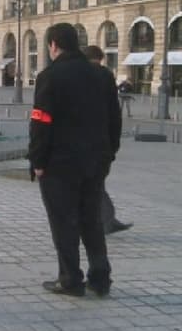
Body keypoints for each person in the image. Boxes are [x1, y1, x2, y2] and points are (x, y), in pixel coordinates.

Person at [29, 24, 122, 298]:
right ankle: (101, 278)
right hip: (95, 161)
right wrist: (109, 152)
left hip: (60, 163)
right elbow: (114, 119)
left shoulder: (50, 76)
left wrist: (37, 160)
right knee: (91, 220)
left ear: (54, 44)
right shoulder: (102, 76)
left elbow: (41, 122)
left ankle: (70, 279)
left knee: (63, 222)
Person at [83, 45, 133, 235]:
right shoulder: (105, 76)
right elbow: (114, 115)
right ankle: (106, 220)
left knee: (93, 184)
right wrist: (114, 144)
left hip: (80, 141)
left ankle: (103, 219)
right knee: (95, 183)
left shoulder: (77, 75)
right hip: (101, 140)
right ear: (100, 58)